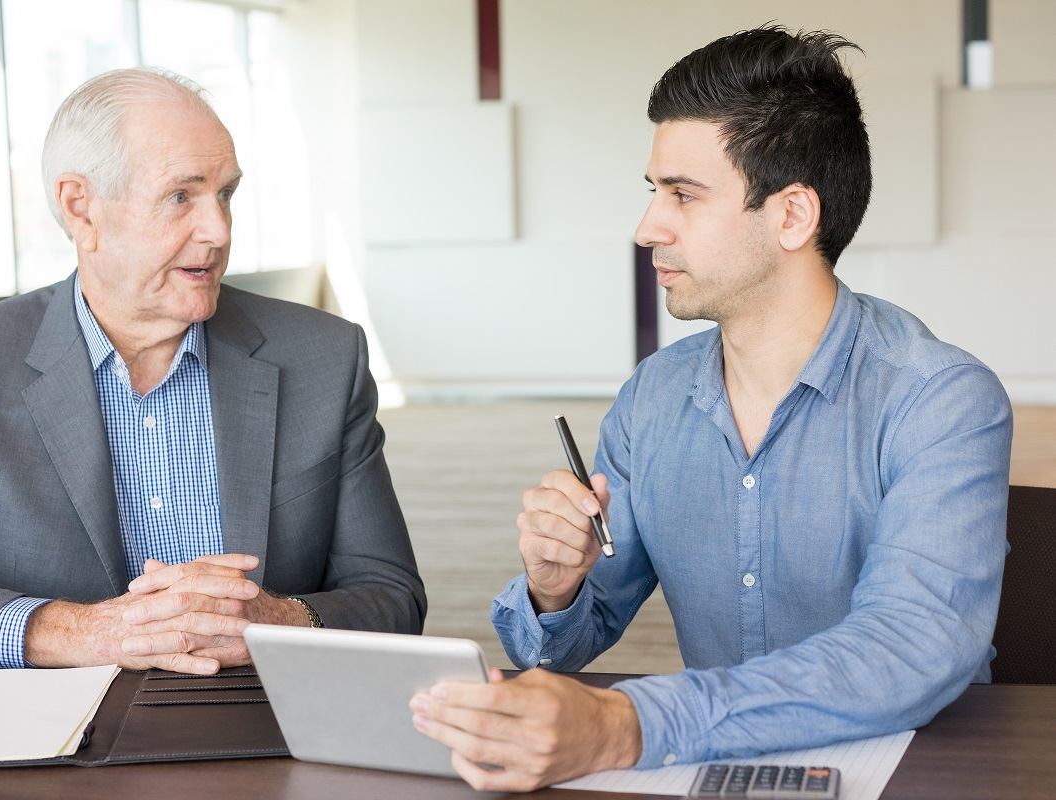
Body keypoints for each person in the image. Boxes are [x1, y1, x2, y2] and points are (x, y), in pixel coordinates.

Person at [410, 25, 1012, 791]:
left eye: (682, 196)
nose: (645, 228)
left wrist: (632, 723)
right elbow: (560, 648)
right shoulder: (654, 397)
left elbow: (908, 648)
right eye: (652, 191)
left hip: (919, 770)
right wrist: (554, 587)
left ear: (792, 216)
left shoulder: (939, 400)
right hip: (723, 769)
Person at [0, 68, 425, 674]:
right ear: (81, 209)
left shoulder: (324, 357)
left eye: (225, 194)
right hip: (54, 736)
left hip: (269, 714)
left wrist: (279, 621)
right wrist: (75, 632)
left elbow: (392, 597)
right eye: (182, 196)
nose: (219, 230)